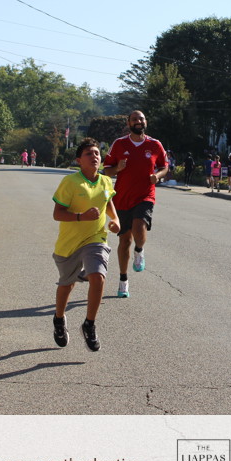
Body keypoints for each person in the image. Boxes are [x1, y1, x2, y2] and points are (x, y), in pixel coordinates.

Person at [51, 138, 121, 352]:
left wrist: (116, 220)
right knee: (67, 285)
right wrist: (81, 216)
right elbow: (57, 214)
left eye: (97, 153)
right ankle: (59, 319)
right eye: (89, 154)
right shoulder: (70, 182)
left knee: (98, 277)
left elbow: (109, 203)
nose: (94, 157)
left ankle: (89, 324)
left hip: (95, 238)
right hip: (70, 243)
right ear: (79, 160)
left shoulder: (106, 181)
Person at [102, 110, 168, 298]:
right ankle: (123, 281)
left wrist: (158, 176)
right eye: (134, 119)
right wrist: (118, 168)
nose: (138, 121)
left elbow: (164, 166)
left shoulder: (154, 144)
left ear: (145, 122)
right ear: (128, 123)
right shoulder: (119, 144)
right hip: (122, 198)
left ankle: (139, 250)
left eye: (141, 119)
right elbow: (106, 170)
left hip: (145, 195)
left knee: (139, 227)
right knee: (124, 241)